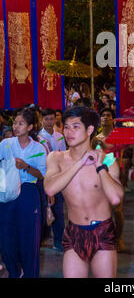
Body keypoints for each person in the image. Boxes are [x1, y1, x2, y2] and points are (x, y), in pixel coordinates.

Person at [44, 106, 123, 278]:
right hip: (74, 233)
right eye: (66, 126)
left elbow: (116, 198)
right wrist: (80, 163)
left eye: (75, 126)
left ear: (90, 130)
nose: (68, 132)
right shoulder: (56, 158)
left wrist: (99, 166)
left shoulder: (107, 159)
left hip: (102, 232)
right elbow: (50, 188)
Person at [0, 108, 47, 278]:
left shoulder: (39, 148)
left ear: (30, 127)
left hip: (28, 193)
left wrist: (26, 166)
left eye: (21, 123)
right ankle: (14, 271)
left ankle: (30, 274)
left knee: (29, 239)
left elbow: (42, 174)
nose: (15, 126)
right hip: (6, 193)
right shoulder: (5, 144)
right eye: (14, 122)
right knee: (6, 239)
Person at [91, 108, 126, 252]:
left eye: (108, 115)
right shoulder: (95, 138)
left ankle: (118, 238)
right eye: (103, 115)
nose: (105, 118)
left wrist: (106, 146)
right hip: (100, 174)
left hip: (117, 174)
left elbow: (122, 147)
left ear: (112, 119)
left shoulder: (119, 135)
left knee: (118, 210)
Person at [39, 108, 67, 252]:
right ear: (41, 120)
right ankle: (42, 238)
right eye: (47, 119)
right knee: (43, 210)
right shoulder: (38, 138)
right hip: (43, 178)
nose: (50, 122)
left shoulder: (60, 136)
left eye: (52, 119)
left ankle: (58, 240)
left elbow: (63, 156)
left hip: (58, 178)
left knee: (58, 211)